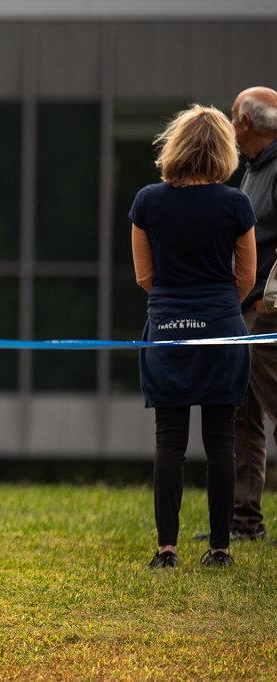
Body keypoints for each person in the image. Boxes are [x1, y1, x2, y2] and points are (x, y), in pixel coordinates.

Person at [130, 104, 256, 569]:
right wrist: (219, 307)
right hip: (224, 327)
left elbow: (146, 277)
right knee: (222, 439)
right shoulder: (236, 203)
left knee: (169, 441)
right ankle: (221, 548)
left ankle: (166, 549)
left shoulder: (148, 201)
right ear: (223, 150)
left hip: (167, 327)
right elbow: (246, 275)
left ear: (175, 146)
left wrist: (178, 305)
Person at [229, 86, 277, 543]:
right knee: (243, 415)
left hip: (269, 315)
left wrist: (270, 298)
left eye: (232, 115)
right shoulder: (254, 170)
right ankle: (244, 521)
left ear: (245, 122)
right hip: (246, 313)